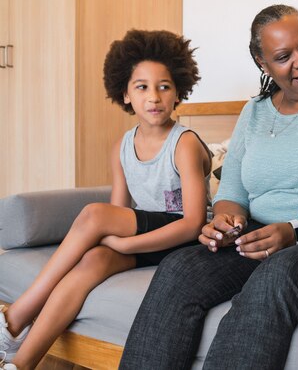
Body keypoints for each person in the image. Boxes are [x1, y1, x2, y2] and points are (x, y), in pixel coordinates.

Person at [118, 4, 298, 370]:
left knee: (279, 273)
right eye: (284, 56)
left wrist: (296, 232)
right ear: (262, 63)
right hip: (269, 236)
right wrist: (226, 223)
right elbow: (232, 195)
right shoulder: (254, 112)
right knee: (179, 269)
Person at [0, 30, 212, 370]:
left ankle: (15, 318)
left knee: (95, 216)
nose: (154, 96)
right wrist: (115, 244)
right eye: (142, 87)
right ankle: (20, 363)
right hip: (148, 239)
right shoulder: (122, 146)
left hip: (187, 241)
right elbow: (120, 211)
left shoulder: (183, 143)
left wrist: (128, 246)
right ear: (125, 95)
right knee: (92, 262)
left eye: (164, 86)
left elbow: (194, 223)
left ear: (178, 93)